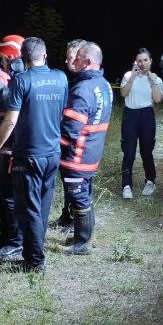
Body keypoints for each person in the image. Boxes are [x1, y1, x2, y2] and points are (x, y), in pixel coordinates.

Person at [0, 37, 67, 273]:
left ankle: (34, 261)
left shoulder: (22, 81)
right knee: (42, 206)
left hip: (28, 154)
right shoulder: (61, 78)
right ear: (44, 55)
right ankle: (35, 253)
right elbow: (60, 111)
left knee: (27, 208)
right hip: (52, 152)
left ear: (22, 58)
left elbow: (11, 119)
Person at [58, 42, 111, 255]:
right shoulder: (104, 84)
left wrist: (53, 148)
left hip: (77, 156)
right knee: (85, 195)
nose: (74, 61)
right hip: (92, 151)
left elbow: (70, 130)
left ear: (87, 62)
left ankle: (82, 243)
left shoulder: (82, 89)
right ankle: (83, 235)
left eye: (77, 58)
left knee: (78, 197)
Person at [0, 34, 26, 259]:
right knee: (0, 194)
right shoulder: (14, 77)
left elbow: (1, 104)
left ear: (12, 57)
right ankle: (4, 237)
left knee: (10, 196)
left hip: (14, 146)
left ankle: (15, 241)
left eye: (3, 59)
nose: (1, 64)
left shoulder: (21, 79)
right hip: (6, 143)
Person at [53, 38, 91, 231]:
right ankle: (67, 214)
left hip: (78, 144)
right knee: (67, 179)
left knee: (78, 184)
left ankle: (78, 222)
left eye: (70, 58)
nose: (67, 62)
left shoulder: (85, 84)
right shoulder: (74, 81)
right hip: (70, 141)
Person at [117, 47, 163, 200]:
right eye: (139, 61)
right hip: (130, 115)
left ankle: (150, 181)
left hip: (147, 115)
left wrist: (153, 81)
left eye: (145, 60)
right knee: (129, 152)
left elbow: (157, 99)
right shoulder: (128, 75)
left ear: (150, 61)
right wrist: (132, 77)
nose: (142, 63)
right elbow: (123, 93)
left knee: (146, 151)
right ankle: (126, 185)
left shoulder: (156, 79)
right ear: (135, 62)